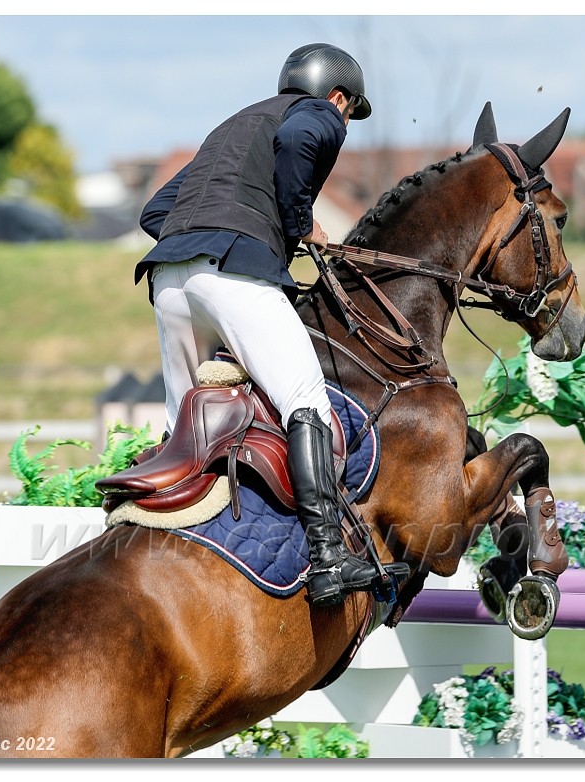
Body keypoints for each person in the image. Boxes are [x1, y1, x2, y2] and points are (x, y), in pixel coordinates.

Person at [132, 43, 378, 608]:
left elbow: (155, 211)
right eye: (349, 112)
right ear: (338, 96)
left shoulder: (234, 127)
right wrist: (298, 226)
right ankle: (328, 557)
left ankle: (170, 558)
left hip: (169, 280)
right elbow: (300, 141)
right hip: (232, 274)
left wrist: (201, 241)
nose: (345, 123)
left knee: (186, 428)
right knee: (305, 400)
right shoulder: (317, 113)